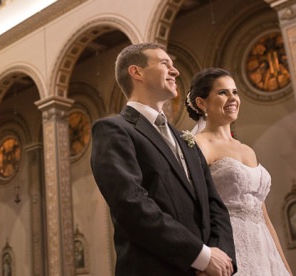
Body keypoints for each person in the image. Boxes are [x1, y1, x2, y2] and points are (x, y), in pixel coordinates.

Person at [90, 43, 237, 276]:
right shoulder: (114, 130)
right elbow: (131, 204)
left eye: (174, 65)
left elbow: (214, 203)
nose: (175, 71)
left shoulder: (185, 138)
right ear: (136, 72)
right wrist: (200, 256)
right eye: (164, 64)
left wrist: (220, 257)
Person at [185, 68, 292, 276]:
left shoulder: (247, 150)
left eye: (234, 92)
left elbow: (263, 214)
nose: (232, 98)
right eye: (222, 92)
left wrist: (283, 263)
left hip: (264, 247)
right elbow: (193, 207)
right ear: (201, 103)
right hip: (228, 244)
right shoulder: (199, 144)